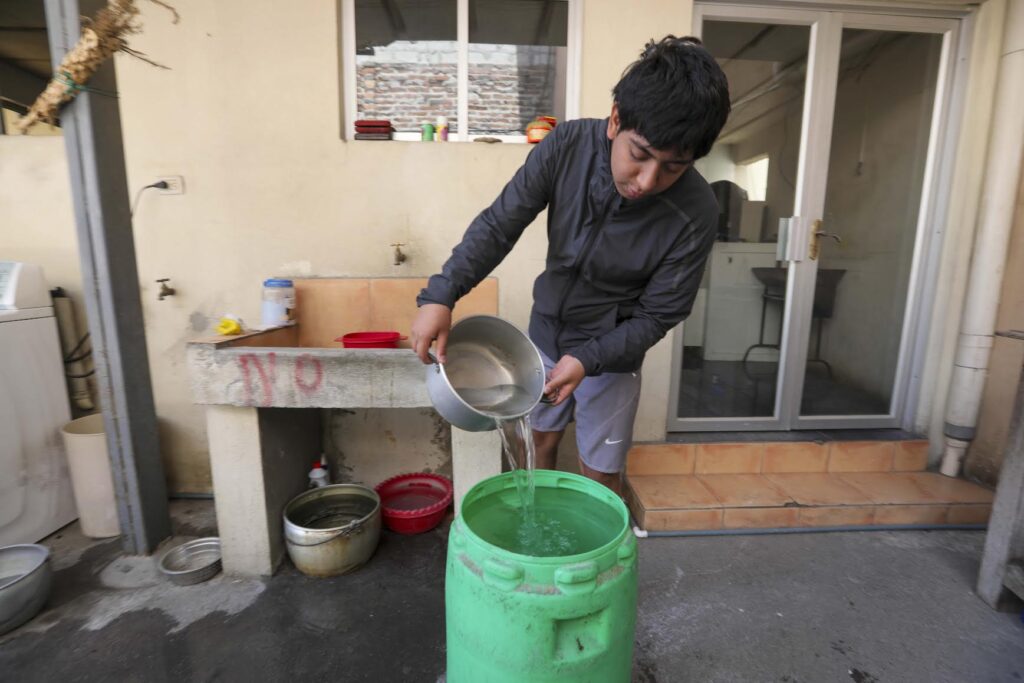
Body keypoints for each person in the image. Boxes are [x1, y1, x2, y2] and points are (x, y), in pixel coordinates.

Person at [411, 36, 730, 495]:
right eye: (638, 155)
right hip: (543, 333)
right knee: (535, 444)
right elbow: (502, 223)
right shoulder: (567, 145)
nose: (647, 181)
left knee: (600, 473)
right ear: (616, 119)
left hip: (613, 350)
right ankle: (536, 550)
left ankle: (593, 560)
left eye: (672, 168)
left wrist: (589, 357)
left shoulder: (696, 211)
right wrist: (441, 293)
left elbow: (659, 314)